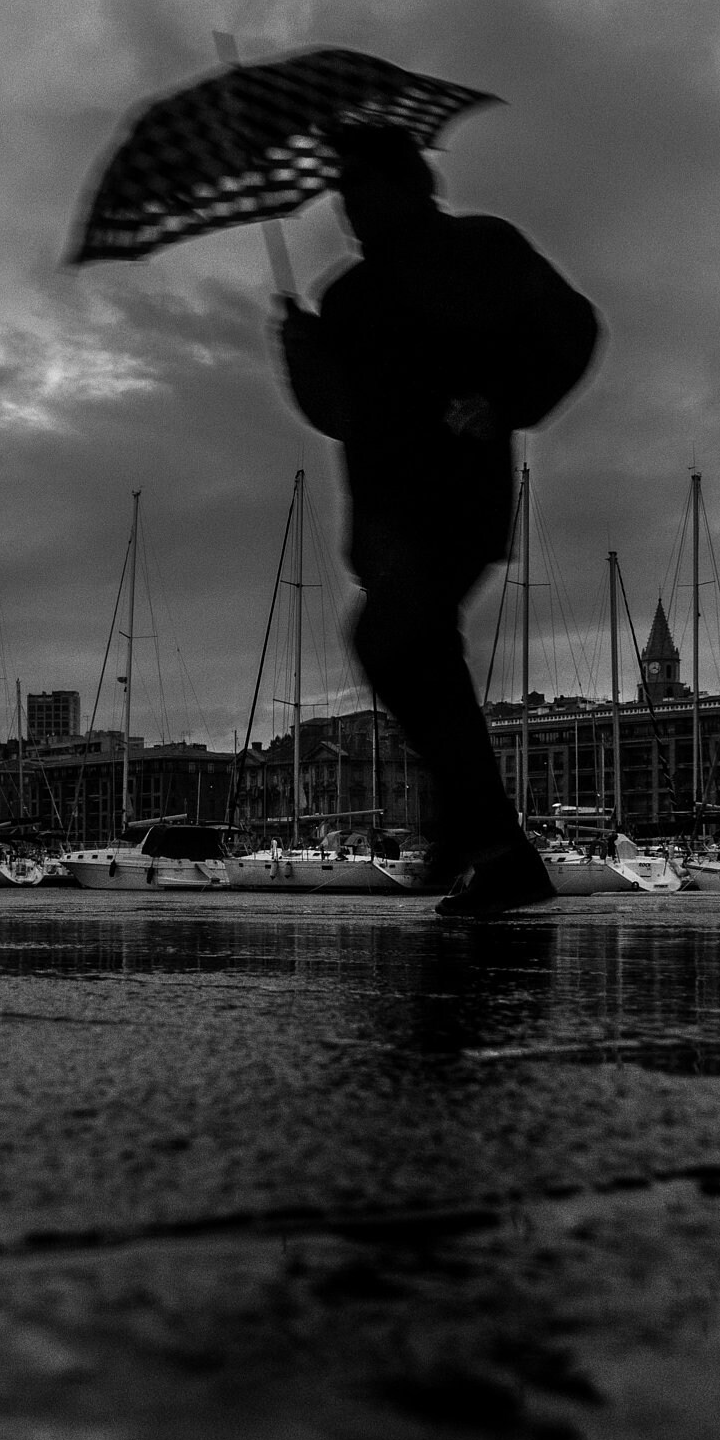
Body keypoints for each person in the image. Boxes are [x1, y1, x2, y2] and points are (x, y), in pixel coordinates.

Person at [274, 124, 599, 916]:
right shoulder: (344, 297)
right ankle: (494, 844)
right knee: (419, 655)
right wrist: (302, 351)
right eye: (339, 195)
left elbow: (573, 327)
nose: (345, 207)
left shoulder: (483, 248)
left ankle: (476, 827)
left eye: (356, 189)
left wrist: (504, 403)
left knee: (390, 638)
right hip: (386, 516)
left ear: (404, 182)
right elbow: (341, 414)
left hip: (455, 496)